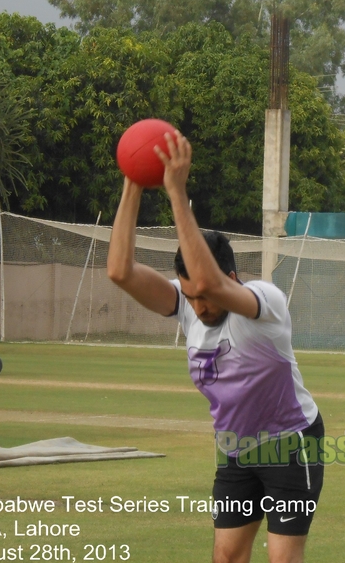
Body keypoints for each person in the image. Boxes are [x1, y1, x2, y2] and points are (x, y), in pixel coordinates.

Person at [107, 130, 323, 563]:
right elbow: (120, 271)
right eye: (189, 296)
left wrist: (177, 192)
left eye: (204, 295)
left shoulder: (264, 303)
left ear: (233, 275)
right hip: (235, 450)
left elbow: (208, 283)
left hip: (291, 444)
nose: (199, 304)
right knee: (225, 557)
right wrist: (134, 179)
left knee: (282, 559)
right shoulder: (188, 303)